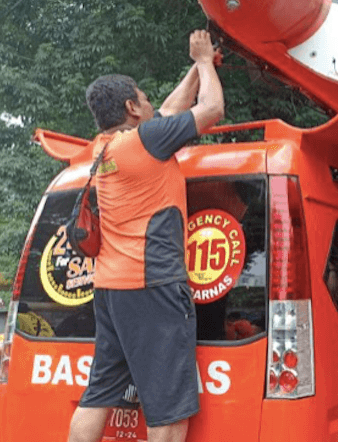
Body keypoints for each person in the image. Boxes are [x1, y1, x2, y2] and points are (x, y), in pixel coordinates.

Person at [67, 29, 224, 442]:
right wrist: (205, 63)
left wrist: (197, 66)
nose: (153, 103)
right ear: (132, 107)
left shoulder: (103, 149)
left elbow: (172, 109)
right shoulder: (146, 143)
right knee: (169, 410)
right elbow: (211, 109)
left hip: (111, 290)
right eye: (144, 98)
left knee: (98, 394)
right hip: (152, 285)